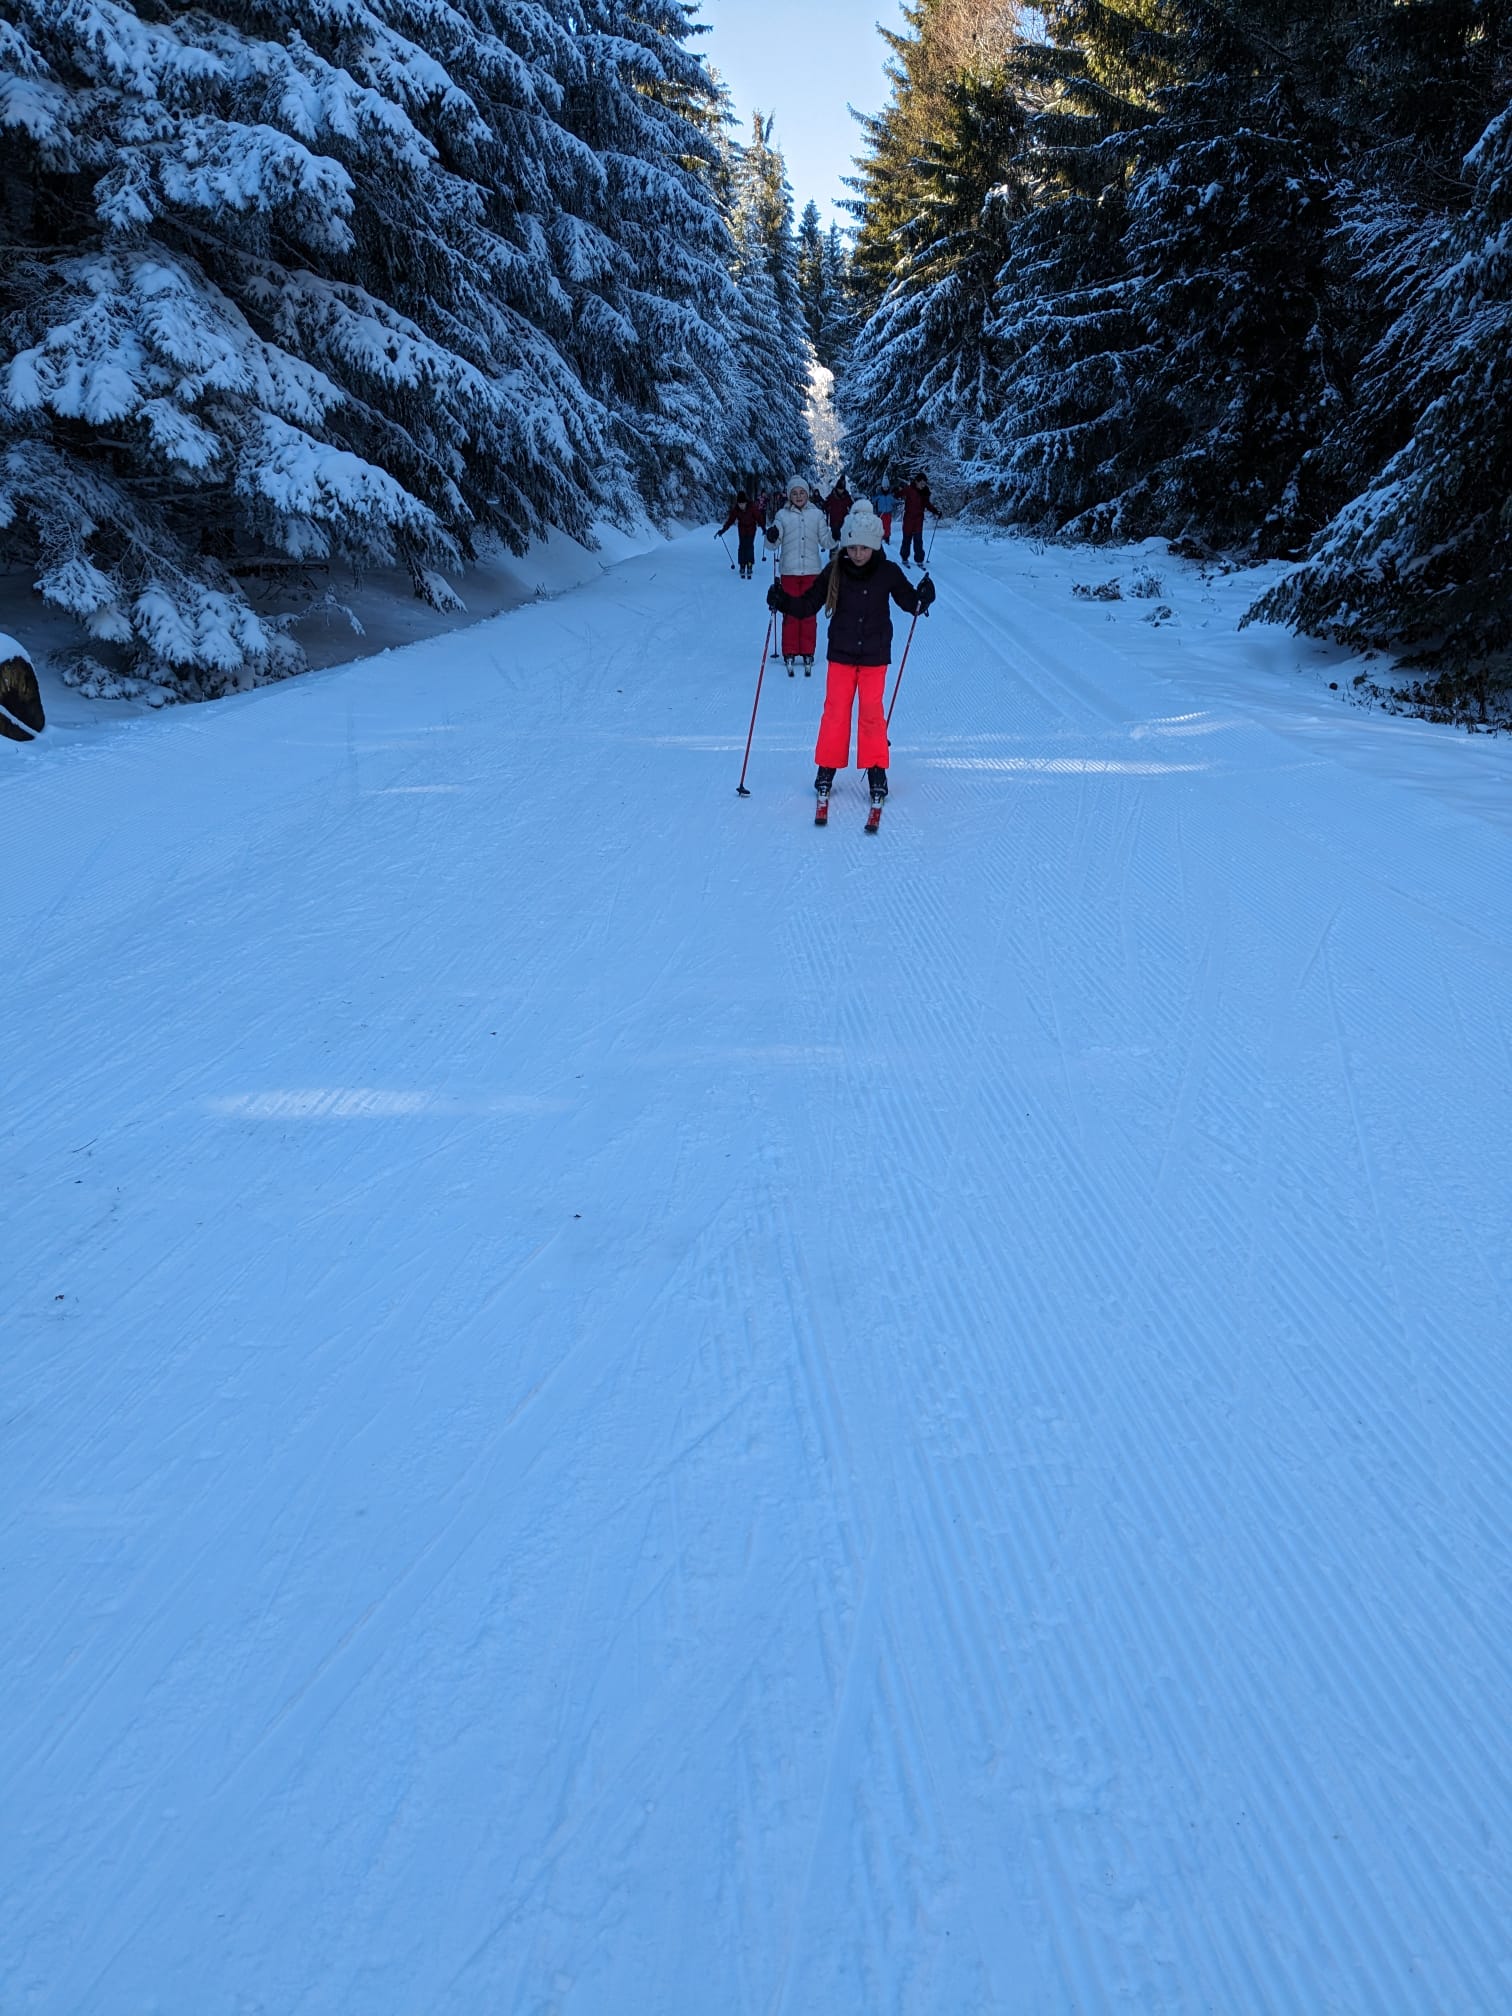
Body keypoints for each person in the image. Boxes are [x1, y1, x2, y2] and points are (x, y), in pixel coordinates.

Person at [767, 504, 935, 814]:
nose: (858, 553)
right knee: (835, 712)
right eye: (853, 547)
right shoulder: (835, 570)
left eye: (864, 547)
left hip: (874, 656)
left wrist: (923, 597)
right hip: (841, 654)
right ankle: (827, 767)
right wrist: (783, 601)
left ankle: (875, 770)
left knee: (871, 714)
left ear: (875, 545)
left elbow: (909, 603)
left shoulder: (888, 572)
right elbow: (807, 606)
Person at [763, 476, 830, 674]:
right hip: (789, 572)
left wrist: (835, 534)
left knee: (809, 613)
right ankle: (790, 650)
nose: (798, 496)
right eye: (794, 493)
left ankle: (808, 650)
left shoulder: (817, 515)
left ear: (807, 494)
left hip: (812, 572)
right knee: (791, 613)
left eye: (802, 492)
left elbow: (826, 541)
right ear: (789, 495)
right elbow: (772, 545)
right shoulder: (782, 516)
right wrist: (771, 536)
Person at [718, 491, 764, 579]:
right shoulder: (736, 509)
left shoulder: (752, 507)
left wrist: (763, 528)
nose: (741, 506)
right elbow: (730, 520)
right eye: (739, 504)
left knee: (749, 546)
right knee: (742, 546)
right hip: (742, 529)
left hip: (751, 529)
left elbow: (759, 517)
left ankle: (749, 565)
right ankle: (742, 565)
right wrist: (723, 530)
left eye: (742, 503)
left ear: (746, 502)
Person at [899, 471, 940, 566]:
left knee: (918, 541)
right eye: (922, 483)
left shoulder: (924, 493)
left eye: (924, 484)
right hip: (908, 519)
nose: (923, 485)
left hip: (918, 520)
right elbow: (898, 494)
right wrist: (895, 491)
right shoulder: (909, 489)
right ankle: (904, 558)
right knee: (906, 540)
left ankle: (919, 560)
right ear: (917, 482)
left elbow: (927, 505)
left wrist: (936, 511)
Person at [822, 473, 852, 552]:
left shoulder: (847, 496)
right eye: (839, 488)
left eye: (842, 489)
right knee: (834, 538)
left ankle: (843, 554)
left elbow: (852, 505)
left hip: (844, 522)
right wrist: (825, 507)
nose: (840, 490)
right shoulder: (832, 496)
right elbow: (825, 503)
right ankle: (833, 554)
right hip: (834, 521)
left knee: (843, 538)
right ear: (836, 487)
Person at [873, 480, 898, 545]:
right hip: (881, 513)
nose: (885, 488)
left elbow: (894, 501)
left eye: (887, 487)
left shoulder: (890, 495)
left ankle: (887, 538)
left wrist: (896, 503)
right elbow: (873, 500)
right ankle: (880, 537)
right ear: (882, 487)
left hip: (888, 513)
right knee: (882, 526)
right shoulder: (879, 495)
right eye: (884, 487)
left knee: (888, 526)